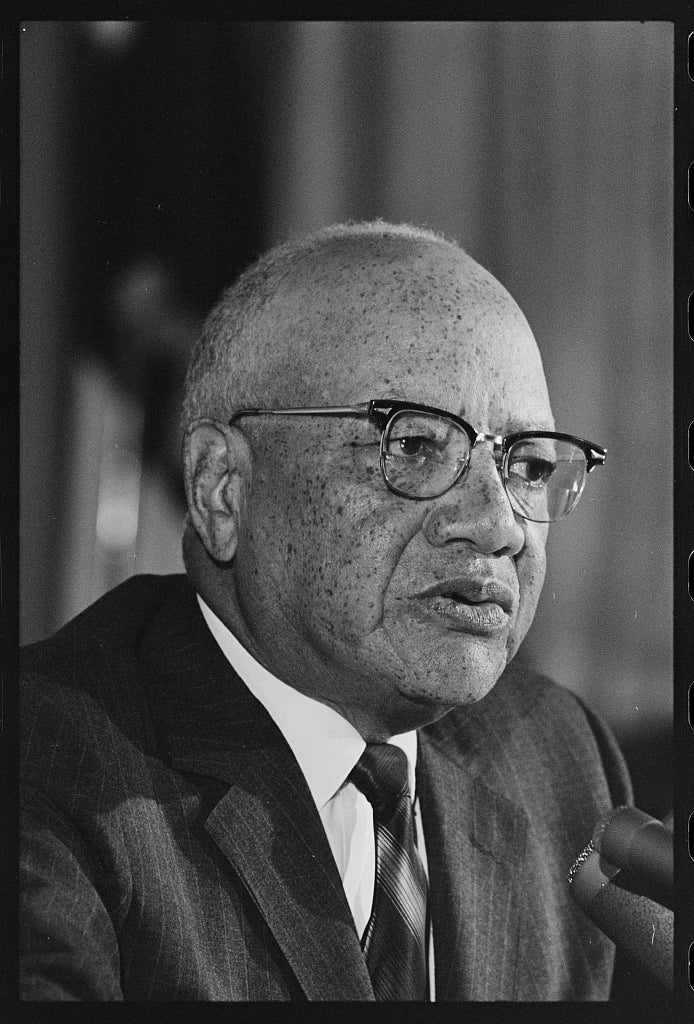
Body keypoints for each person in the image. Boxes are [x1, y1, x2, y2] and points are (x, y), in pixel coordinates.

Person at [20, 221, 632, 1001]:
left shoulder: (560, 757)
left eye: (529, 465)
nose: (500, 523)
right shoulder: (45, 766)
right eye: (413, 446)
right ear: (221, 489)